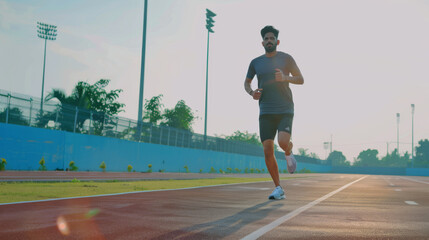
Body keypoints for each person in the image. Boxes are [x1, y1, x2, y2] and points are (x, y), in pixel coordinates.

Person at [244, 25, 304, 200]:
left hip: (285, 108)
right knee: (267, 148)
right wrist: (251, 92)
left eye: (272, 38)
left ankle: (288, 150)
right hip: (266, 111)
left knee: (283, 141)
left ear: (277, 41)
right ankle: (278, 188)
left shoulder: (286, 59)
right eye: (266, 39)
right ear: (262, 42)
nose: (269, 41)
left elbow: (301, 79)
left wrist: (285, 78)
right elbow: (246, 83)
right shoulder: (255, 62)